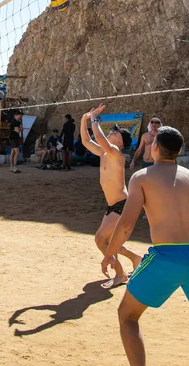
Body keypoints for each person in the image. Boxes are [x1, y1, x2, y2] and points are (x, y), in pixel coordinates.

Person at [102, 126, 189, 366]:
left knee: (127, 316)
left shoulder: (141, 177)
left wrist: (109, 255)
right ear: (179, 150)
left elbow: (126, 225)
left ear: (155, 148)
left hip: (167, 256)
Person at [80, 105, 141, 288]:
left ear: (120, 141)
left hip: (122, 205)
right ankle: (135, 258)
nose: (111, 133)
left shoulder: (116, 153)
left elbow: (98, 137)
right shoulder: (105, 152)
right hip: (113, 206)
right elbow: (86, 140)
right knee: (108, 241)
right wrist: (84, 120)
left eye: (115, 132)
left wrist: (94, 119)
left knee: (100, 240)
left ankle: (120, 274)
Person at [9, 110, 23, 174]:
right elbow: (18, 130)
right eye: (20, 115)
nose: (21, 116)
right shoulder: (14, 121)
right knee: (17, 152)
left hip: (15, 138)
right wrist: (20, 129)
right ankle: (14, 167)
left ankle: (11, 167)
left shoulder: (18, 121)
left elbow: (20, 129)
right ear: (16, 115)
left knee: (13, 153)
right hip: (13, 139)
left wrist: (20, 126)